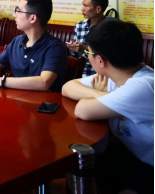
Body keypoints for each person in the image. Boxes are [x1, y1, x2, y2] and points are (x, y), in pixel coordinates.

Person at [62, 19, 154, 194]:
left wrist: (98, 97)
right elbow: (67, 87)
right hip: (135, 155)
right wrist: (100, 94)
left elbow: (82, 109)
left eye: (88, 52)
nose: (87, 55)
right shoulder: (116, 75)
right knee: (74, 161)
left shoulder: (143, 86)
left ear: (100, 61)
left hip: (149, 164)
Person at [0, 0, 68, 92]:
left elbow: (44, 82)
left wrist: (1, 81)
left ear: (33, 18)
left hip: (43, 101)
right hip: (17, 98)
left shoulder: (55, 47)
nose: (14, 15)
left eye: (18, 11)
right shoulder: (17, 41)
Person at [67, 0, 109, 77]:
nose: (82, 9)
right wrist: (72, 47)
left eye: (86, 6)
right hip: (78, 73)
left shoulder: (110, 28)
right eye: (83, 5)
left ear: (98, 9)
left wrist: (85, 49)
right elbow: (74, 56)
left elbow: (109, 58)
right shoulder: (80, 25)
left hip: (99, 75)